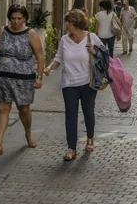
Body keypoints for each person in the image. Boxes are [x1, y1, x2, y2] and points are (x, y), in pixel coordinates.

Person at [0, 4, 44, 157]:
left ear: (25, 19)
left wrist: (39, 77)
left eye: (19, 18)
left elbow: (40, 56)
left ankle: (28, 134)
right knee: (3, 110)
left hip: (23, 79)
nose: (16, 21)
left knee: (23, 109)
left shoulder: (31, 34)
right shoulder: (2, 31)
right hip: (1, 77)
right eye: (13, 18)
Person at [44, 9, 103, 160]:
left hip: (87, 82)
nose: (66, 26)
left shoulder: (92, 37)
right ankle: (71, 148)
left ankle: (90, 138)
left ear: (75, 24)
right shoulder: (64, 39)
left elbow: (105, 54)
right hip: (69, 82)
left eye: (68, 23)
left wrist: (94, 51)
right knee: (70, 115)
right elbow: (59, 58)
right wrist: (50, 67)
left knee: (88, 111)